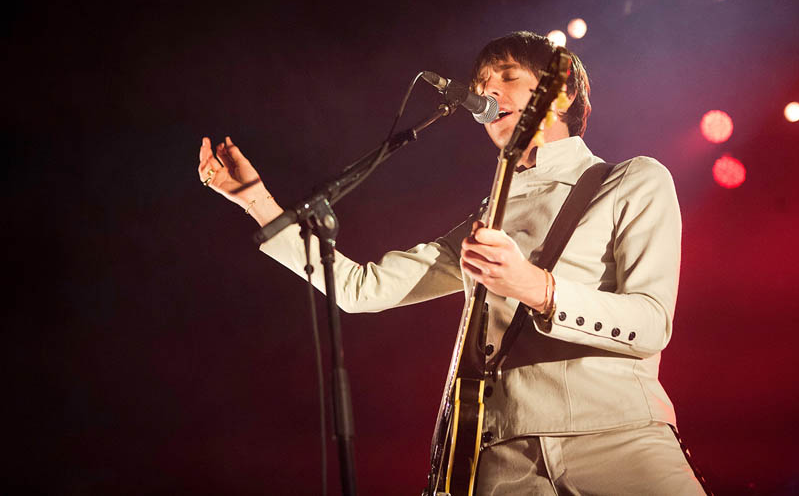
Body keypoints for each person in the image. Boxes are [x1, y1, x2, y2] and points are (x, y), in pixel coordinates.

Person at [197, 31, 708, 494]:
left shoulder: (632, 180)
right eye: (482, 83)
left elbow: (651, 322)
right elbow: (359, 289)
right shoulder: (487, 220)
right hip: (502, 455)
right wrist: (257, 201)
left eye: (508, 77)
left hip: (617, 432)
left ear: (563, 92)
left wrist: (536, 286)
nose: (488, 93)